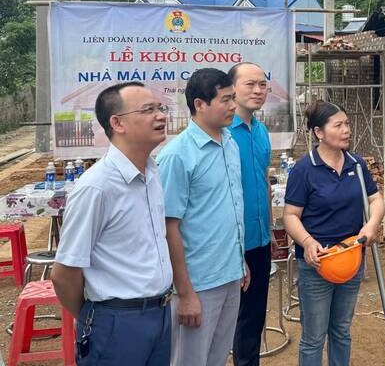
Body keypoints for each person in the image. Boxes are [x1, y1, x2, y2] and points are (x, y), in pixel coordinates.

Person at [52, 81, 173, 365]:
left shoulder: (152, 173)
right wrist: (94, 317)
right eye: (148, 110)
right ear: (117, 123)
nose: (161, 116)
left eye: (160, 107)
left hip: (160, 313)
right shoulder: (96, 187)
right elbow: (64, 273)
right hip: (116, 322)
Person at [157, 68, 250, 366]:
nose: (233, 106)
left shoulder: (230, 143)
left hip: (231, 275)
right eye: (225, 100)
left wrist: (240, 260)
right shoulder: (177, 156)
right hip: (198, 283)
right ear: (199, 104)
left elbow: (229, 209)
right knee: (190, 361)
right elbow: (169, 226)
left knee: (218, 357)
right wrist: (184, 293)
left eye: (233, 98)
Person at [283, 101, 385, 366]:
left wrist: (372, 225)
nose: (346, 130)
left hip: (351, 258)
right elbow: (290, 216)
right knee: (314, 336)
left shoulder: (357, 164)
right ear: (319, 132)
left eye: (347, 124)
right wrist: (307, 242)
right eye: (338, 125)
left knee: (341, 330)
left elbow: (376, 200)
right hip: (317, 263)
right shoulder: (305, 170)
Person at [228, 62, 273, 365]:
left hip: (260, 238)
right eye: (250, 84)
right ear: (232, 89)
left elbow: (264, 178)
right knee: (229, 320)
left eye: (263, 84)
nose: (258, 90)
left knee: (254, 318)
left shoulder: (261, 131)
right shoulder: (222, 133)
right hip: (231, 242)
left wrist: (270, 228)